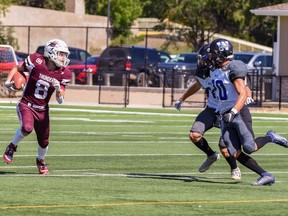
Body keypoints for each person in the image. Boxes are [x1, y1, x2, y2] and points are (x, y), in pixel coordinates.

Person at [208, 38, 288, 185]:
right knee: (234, 152)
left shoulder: (234, 67)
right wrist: (219, 113)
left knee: (249, 147)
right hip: (225, 115)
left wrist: (232, 112)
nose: (211, 57)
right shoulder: (216, 71)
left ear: (222, 53)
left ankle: (271, 137)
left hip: (238, 113)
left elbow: (243, 93)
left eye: (213, 54)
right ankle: (266, 175)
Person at [3, 39, 72, 175]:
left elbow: (60, 100)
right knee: (27, 128)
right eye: (61, 54)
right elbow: (18, 68)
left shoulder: (64, 73)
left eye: (65, 54)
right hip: (26, 104)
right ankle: (12, 146)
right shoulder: (36, 61)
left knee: (44, 141)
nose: (63, 58)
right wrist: (7, 81)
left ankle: (40, 160)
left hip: (42, 109)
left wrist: (58, 90)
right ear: (51, 52)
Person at [175, 44, 242, 179]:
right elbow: (198, 85)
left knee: (224, 146)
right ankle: (211, 155)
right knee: (194, 135)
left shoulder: (226, 69)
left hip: (227, 110)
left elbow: (242, 85)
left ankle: (234, 167)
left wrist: (247, 96)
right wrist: (182, 98)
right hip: (212, 108)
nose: (204, 60)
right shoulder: (206, 71)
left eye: (207, 57)